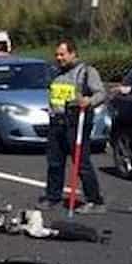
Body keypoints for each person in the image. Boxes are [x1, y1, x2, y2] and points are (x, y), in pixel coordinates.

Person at [41, 39, 108, 213]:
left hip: (76, 121)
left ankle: (95, 201)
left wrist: (89, 101)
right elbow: (54, 94)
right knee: (54, 162)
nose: (58, 58)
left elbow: (100, 93)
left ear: (73, 53)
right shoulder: (56, 73)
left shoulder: (86, 72)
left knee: (80, 163)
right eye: (57, 54)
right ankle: (52, 197)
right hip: (57, 121)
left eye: (62, 54)